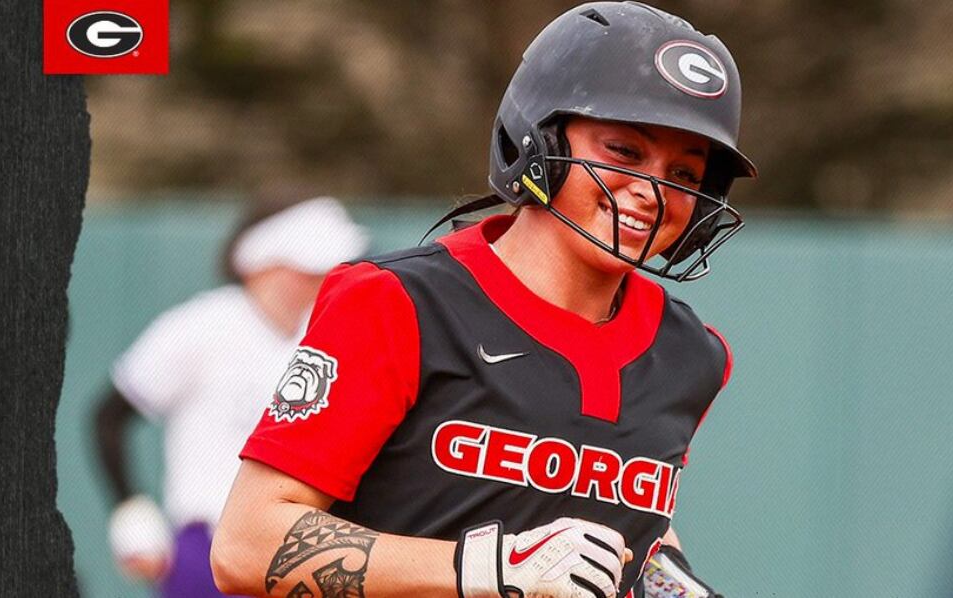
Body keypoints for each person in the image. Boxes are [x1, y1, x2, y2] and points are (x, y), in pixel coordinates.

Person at [212, 3, 755, 597]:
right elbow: (247, 545)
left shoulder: (689, 354)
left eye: (684, 173)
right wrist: (488, 569)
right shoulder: (398, 305)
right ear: (539, 136)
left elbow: (633, 527)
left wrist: (667, 580)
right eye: (624, 151)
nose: (653, 190)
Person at [94, 194, 368, 598]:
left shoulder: (329, 333)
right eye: (303, 270)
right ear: (261, 265)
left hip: (305, 550)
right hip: (207, 548)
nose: (314, 280)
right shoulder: (202, 327)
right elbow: (109, 416)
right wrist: (131, 513)